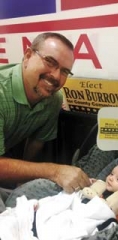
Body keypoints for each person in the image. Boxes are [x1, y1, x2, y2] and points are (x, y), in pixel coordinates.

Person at [0, 32, 90, 195]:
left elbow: (36, 142)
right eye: (50, 61)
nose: (56, 76)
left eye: (64, 71)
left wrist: (22, 182)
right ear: (27, 56)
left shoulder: (54, 99)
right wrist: (54, 171)